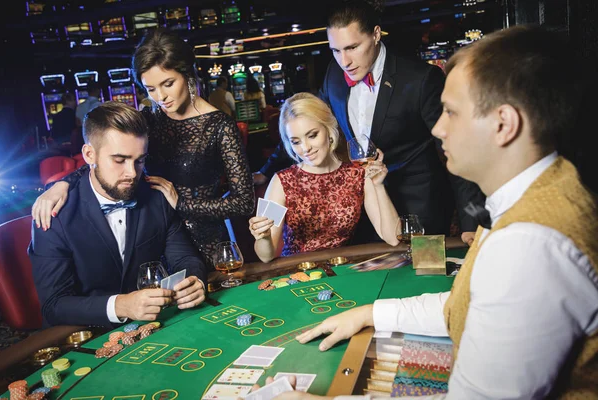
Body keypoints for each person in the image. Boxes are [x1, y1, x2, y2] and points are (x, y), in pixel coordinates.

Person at [276, 25, 598, 400]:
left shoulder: (528, 243)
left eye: (451, 112)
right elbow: (470, 304)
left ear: (504, 124)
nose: (439, 129)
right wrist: (370, 313)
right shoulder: (546, 190)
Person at [253, 0, 484, 246]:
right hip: (362, 207)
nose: (345, 61)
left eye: (352, 47)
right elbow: (306, 123)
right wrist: (265, 171)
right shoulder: (334, 75)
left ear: (375, 35)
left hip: (417, 205)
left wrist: (472, 221)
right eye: (336, 50)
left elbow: (455, 150)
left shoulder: (420, 79)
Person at [31, 28, 254, 267]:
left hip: (206, 245)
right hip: (154, 241)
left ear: (187, 74)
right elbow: (107, 159)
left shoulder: (220, 126)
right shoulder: (148, 120)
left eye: (168, 84)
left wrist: (181, 203)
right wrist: (62, 184)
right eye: (151, 89)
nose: (161, 96)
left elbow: (244, 202)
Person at [29, 102, 208, 328]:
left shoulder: (156, 197)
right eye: (119, 160)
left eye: (139, 160)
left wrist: (195, 281)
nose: (132, 173)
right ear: (89, 154)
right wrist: (121, 306)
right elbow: (54, 305)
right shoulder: (53, 212)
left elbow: (186, 258)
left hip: (152, 327)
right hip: (82, 334)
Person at [248, 93, 399, 263]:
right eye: (296, 142)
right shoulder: (280, 181)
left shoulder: (357, 174)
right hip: (297, 274)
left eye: (312, 135)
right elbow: (265, 256)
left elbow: (393, 238)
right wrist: (264, 237)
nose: (305, 148)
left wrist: (379, 186)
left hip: (341, 270)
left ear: (329, 130)